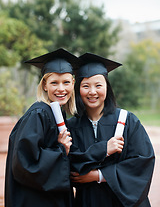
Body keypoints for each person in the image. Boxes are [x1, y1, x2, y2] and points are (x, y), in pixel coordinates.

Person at [68, 52, 155, 207]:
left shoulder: (127, 120)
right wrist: (104, 149)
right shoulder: (71, 126)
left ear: (107, 87)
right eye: (85, 86)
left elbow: (142, 161)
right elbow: (71, 165)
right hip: (88, 201)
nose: (92, 92)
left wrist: (99, 175)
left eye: (98, 85)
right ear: (78, 89)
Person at [5, 48, 79, 207]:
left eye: (66, 82)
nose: (61, 89)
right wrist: (61, 150)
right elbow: (25, 162)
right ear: (45, 85)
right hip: (36, 201)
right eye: (54, 83)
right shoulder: (39, 114)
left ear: (73, 84)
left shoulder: (55, 112)